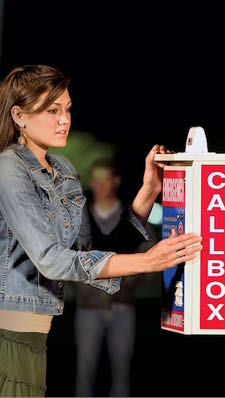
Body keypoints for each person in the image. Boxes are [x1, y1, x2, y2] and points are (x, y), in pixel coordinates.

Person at [0, 64, 203, 397]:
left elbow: (92, 252)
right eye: (52, 110)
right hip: (8, 338)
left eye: (66, 109)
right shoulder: (9, 167)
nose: (64, 119)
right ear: (19, 115)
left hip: (34, 340)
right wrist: (147, 262)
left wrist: (148, 191)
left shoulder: (62, 169)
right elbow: (51, 261)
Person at [74, 158, 157, 397]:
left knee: (122, 372)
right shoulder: (81, 219)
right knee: (85, 371)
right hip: (89, 306)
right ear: (91, 182)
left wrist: (133, 279)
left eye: (106, 178)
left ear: (115, 181)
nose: (100, 185)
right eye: (96, 179)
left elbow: (149, 252)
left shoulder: (131, 216)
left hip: (123, 305)